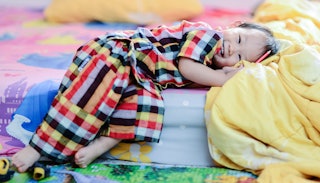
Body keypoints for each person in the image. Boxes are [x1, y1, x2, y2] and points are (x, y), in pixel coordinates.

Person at [12, 20, 279, 172]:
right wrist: (222, 78)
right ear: (232, 26)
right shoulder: (207, 35)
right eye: (240, 38)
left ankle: (100, 145)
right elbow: (186, 66)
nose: (233, 48)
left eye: (240, 57)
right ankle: (37, 148)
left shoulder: (211, 65)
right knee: (91, 94)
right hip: (120, 52)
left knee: (149, 106)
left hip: (142, 74)